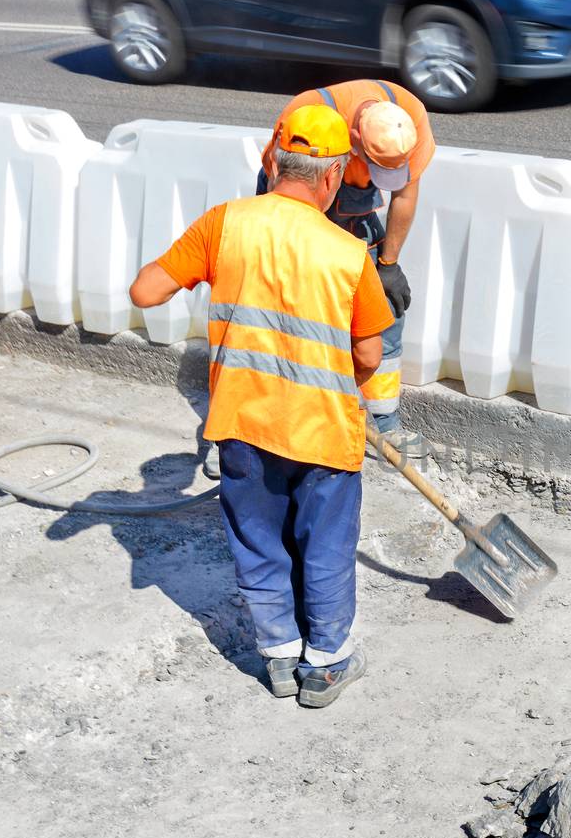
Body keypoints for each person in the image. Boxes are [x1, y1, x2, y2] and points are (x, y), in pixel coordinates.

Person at [128, 103, 394, 709]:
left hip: (242, 426)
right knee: (325, 547)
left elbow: (146, 290)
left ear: (270, 160)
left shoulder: (224, 225)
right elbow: (372, 355)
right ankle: (324, 667)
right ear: (332, 178)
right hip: (324, 432)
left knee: (258, 542)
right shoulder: (348, 254)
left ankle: (277, 657)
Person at [262, 79, 436, 438]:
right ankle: (260, 424)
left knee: (383, 310)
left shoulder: (410, 115)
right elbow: (279, 192)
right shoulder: (309, 114)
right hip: (297, 209)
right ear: (354, 138)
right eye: (375, 167)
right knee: (292, 313)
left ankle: (383, 424)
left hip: (352, 212)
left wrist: (387, 265)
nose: (381, 180)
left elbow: (404, 194)